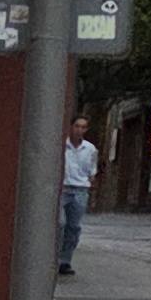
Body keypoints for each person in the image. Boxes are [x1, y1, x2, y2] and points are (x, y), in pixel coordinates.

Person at [59, 115, 98, 281]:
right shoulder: (62, 146)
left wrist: (88, 181)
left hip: (80, 190)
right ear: (71, 127)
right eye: (77, 126)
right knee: (60, 223)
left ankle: (65, 261)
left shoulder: (90, 149)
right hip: (63, 188)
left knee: (73, 227)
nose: (79, 130)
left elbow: (92, 171)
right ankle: (54, 256)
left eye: (83, 127)